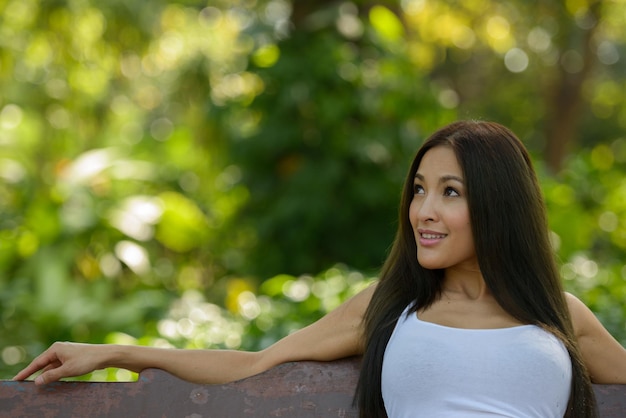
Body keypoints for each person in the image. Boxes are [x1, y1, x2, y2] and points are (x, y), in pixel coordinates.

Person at [13, 120, 626, 417]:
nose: (423, 212)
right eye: (418, 190)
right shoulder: (393, 306)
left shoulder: (559, 316)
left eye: (450, 192)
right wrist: (113, 353)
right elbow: (253, 364)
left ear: (499, 204)